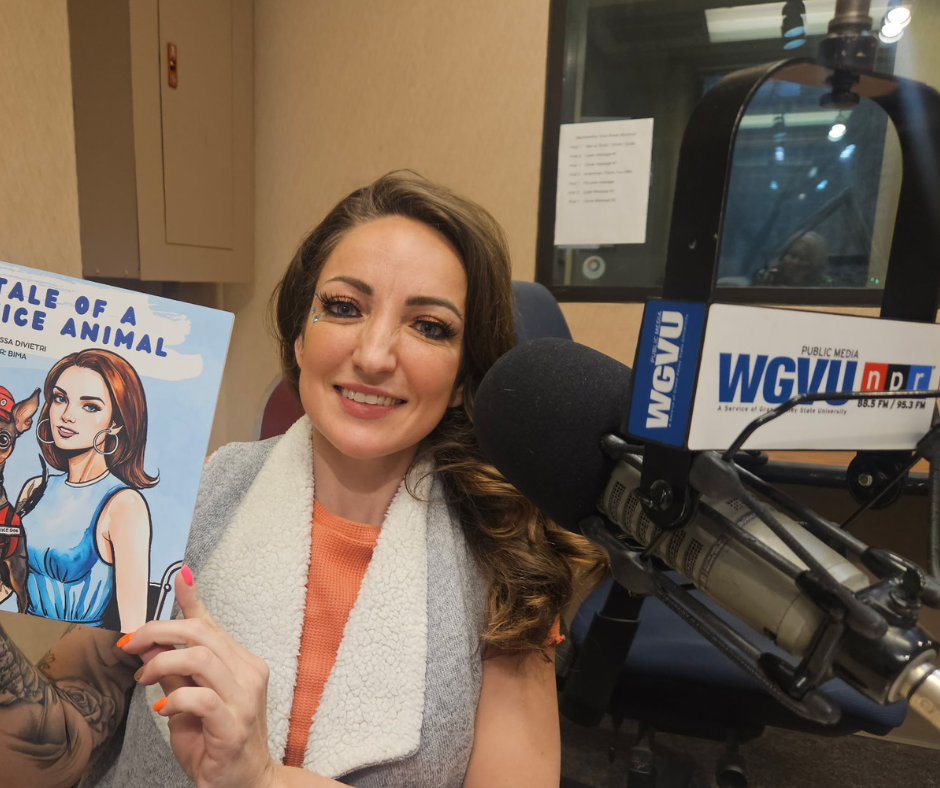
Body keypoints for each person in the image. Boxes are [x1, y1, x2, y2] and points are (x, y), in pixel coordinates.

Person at [0, 172, 604, 788]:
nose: (373, 355)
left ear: (462, 380)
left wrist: (262, 779)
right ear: (299, 337)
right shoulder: (191, 501)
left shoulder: (506, 557)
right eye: (343, 307)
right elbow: (55, 756)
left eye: (429, 326)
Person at [17, 349, 157, 632]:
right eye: (60, 398)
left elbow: (133, 630)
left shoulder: (124, 504)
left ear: (116, 423)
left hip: (81, 652)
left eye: (90, 406)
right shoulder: (35, 488)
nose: (67, 416)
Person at [752, 231, 830, 287]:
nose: (795, 262)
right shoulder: (767, 278)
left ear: (815, 264)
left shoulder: (826, 287)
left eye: (803, 258)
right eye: (793, 255)